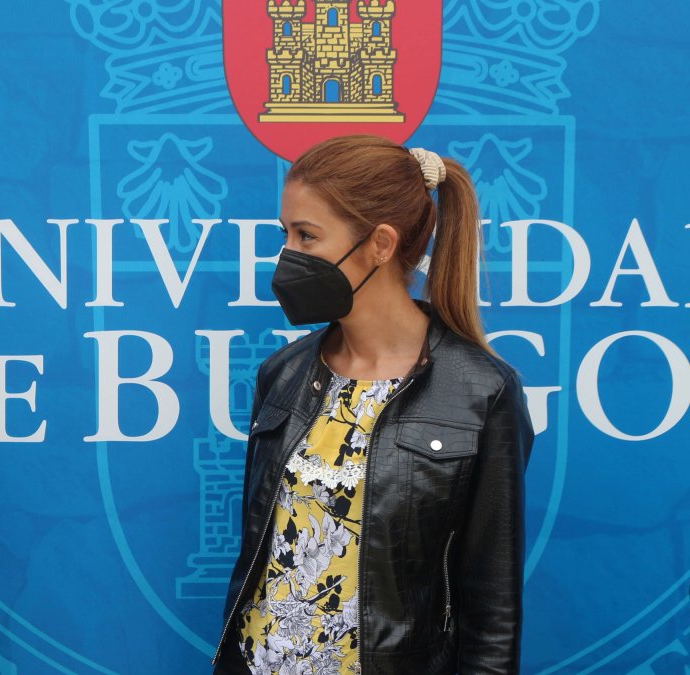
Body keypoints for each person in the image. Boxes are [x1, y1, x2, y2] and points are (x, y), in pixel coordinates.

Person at [213, 135, 533, 674]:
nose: (288, 255)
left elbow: (492, 609)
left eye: (306, 235)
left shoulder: (482, 392)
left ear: (381, 244)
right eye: (285, 234)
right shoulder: (282, 374)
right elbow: (259, 556)